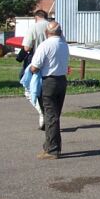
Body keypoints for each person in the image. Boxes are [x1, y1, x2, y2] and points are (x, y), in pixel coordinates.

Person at [30, 21, 69, 160]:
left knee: (50, 116)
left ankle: (52, 149)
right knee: (54, 115)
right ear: (60, 32)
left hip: (49, 81)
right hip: (61, 80)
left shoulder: (45, 45)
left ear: (47, 33)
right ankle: (50, 145)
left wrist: (30, 70)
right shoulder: (64, 45)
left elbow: (35, 66)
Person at [20, 9, 49, 130]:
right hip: (50, 64)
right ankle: (48, 115)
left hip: (36, 63)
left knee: (29, 89)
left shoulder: (34, 27)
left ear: (36, 17)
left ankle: (41, 112)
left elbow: (26, 47)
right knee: (46, 92)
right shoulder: (53, 26)